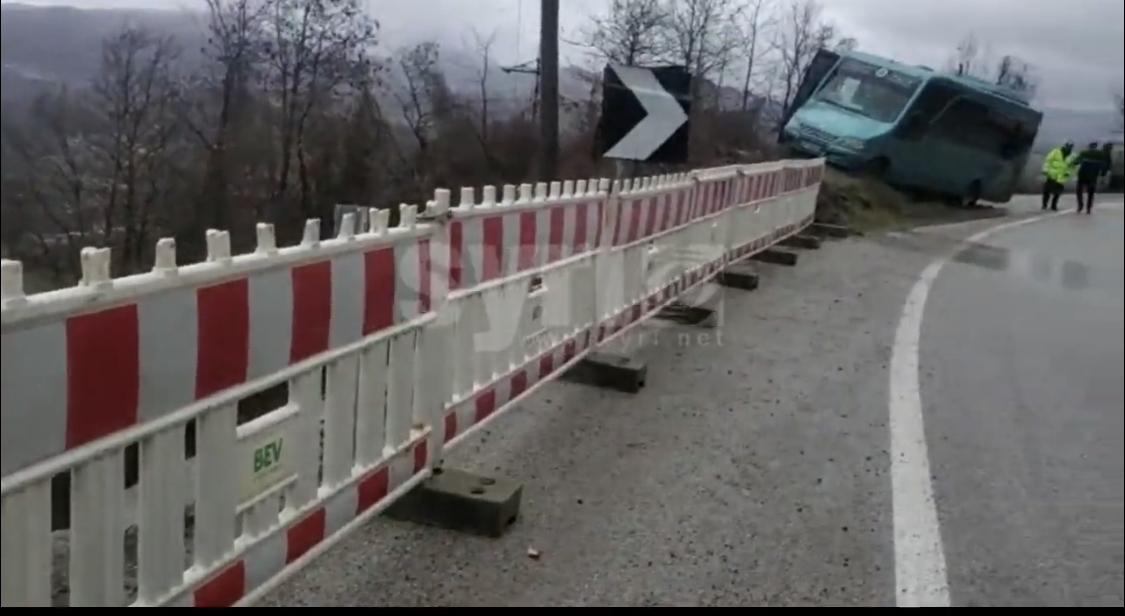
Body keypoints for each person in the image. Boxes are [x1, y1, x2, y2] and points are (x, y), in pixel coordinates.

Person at [1074, 141, 1110, 214]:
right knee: (1091, 193)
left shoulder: (1084, 153)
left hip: (1082, 175)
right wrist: (1103, 173)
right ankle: (1088, 208)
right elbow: (1104, 165)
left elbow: (1076, 161)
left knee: (1079, 191)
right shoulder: (1100, 154)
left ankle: (1080, 205)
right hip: (1093, 176)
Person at [1041, 140, 1076, 211]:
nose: (1068, 148)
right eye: (1067, 146)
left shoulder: (1073, 156)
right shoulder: (1056, 151)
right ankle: (1044, 205)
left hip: (1062, 177)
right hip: (1051, 174)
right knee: (1047, 191)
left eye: (1070, 147)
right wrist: (1045, 169)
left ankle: (1053, 206)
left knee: (1057, 193)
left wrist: (1068, 173)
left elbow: (1072, 166)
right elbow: (1048, 160)